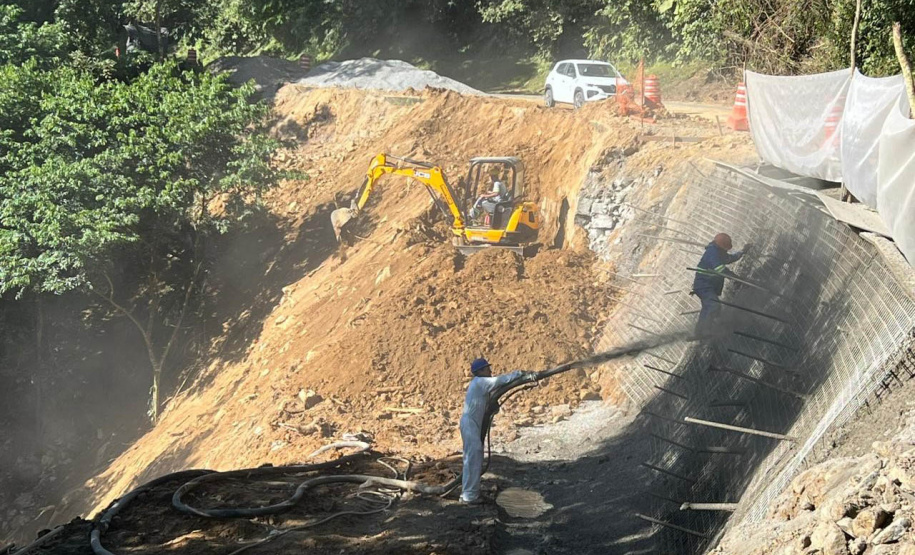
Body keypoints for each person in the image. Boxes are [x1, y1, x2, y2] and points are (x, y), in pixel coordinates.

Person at [459, 357, 533, 504]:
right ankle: (469, 496)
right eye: (487, 368)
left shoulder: (481, 386)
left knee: (474, 457)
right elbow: (499, 381)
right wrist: (520, 374)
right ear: (480, 371)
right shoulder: (480, 382)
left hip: (473, 424)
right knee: (473, 457)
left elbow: (493, 397)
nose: (490, 370)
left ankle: (470, 493)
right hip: (470, 424)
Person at [692, 233, 751, 337]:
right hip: (704, 285)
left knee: (707, 307)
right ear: (721, 246)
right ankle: (704, 331)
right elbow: (720, 270)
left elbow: (729, 259)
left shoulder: (719, 252)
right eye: (726, 248)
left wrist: (742, 252)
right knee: (713, 305)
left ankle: (699, 331)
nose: (726, 250)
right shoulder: (713, 252)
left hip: (705, 286)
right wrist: (736, 278)